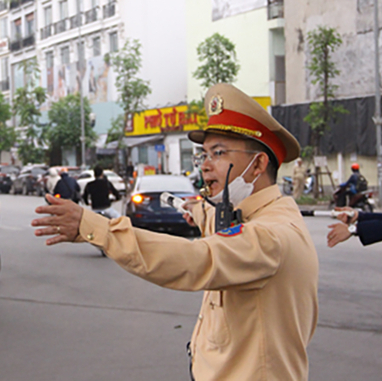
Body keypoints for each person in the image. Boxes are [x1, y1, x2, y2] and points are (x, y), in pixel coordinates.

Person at [32, 83, 318, 380]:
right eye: (202, 155)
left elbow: (195, 258)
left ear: (258, 164)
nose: (205, 166)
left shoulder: (270, 236)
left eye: (218, 153)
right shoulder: (244, 215)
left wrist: (97, 228)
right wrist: (197, 209)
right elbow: (212, 219)